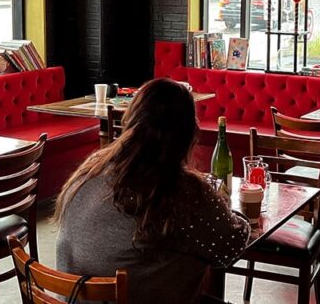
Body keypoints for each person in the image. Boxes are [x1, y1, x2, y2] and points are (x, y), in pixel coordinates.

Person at [54, 78, 250, 304]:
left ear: (130, 120)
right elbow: (230, 247)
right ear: (188, 135)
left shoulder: (91, 169)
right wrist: (229, 209)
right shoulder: (184, 191)